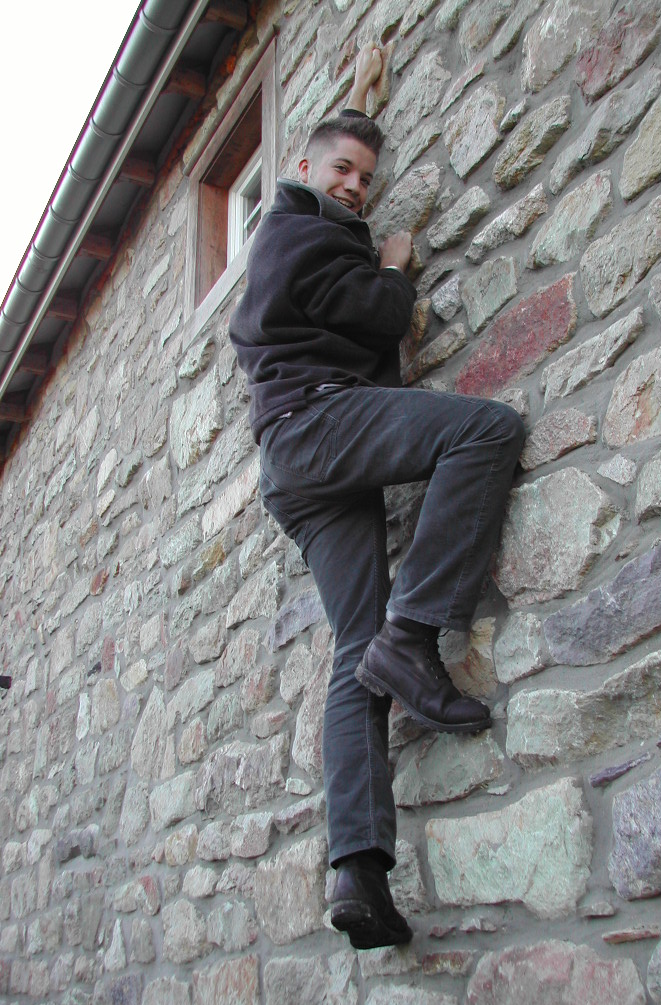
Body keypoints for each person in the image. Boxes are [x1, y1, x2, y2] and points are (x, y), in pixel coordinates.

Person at [229, 43, 525, 950]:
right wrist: (394, 267)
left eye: (368, 176)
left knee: (351, 652)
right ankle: (415, 635)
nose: (357, 185)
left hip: (301, 466)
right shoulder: (298, 230)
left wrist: (362, 97)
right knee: (486, 430)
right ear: (303, 171)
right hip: (321, 426)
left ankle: (357, 872)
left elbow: (343, 152)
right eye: (343, 172)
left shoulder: (305, 225)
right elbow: (383, 315)